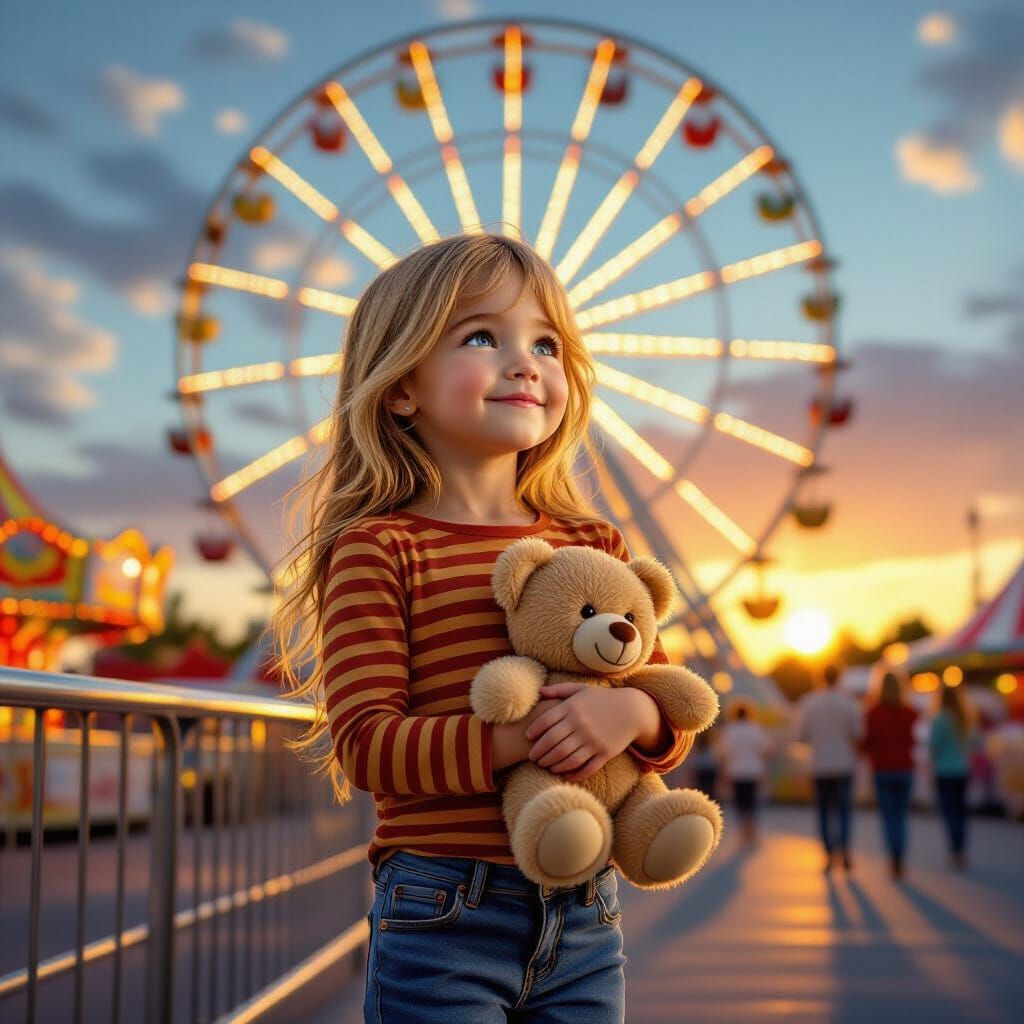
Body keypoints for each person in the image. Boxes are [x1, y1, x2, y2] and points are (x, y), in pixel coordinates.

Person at [267, 234, 701, 1023]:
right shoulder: (379, 548)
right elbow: (368, 745)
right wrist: (530, 736)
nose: (524, 361)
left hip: (587, 908)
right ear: (401, 388)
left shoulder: (593, 544)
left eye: (545, 342)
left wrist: (630, 713)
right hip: (443, 907)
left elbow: (667, 711)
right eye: (480, 337)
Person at [793, 664, 864, 873]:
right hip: (844, 763)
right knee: (844, 811)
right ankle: (845, 849)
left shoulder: (809, 702)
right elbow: (858, 734)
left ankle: (828, 853)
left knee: (823, 812)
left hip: (820, 764)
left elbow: (800, 736)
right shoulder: (849, 702)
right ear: (840, 677)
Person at [862, 671, 918, 879]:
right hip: (904, 768)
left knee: (888, 817)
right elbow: (914, 741)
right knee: (901, 815)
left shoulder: (873, 713)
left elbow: (866, 743)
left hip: (882, 769)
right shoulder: (910, 712)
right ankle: (899, 856)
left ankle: (893, 857)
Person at [929, 684, 979, 869]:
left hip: (944, 771)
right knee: (961, 812)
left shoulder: (939, 719)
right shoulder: (964, 718)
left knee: (949, 813)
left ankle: (954, 850)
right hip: (962, 770)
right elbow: (975, 742)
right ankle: (961, 850)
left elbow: (933, 746)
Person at [718, 700, 773, 844]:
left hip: (736, 771)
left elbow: (724, 753)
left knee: (740, 802)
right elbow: (767, 750)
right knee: (752, 802)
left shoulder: (730, 730)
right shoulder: (756, 729)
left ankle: (744, 831)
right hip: (754, 770)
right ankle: (752, 830)